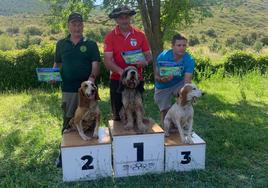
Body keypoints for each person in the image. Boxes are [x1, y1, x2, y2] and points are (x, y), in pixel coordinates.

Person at [53, 12, 101, 167]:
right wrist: (52, 76)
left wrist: (91, 82)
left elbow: (96, 65)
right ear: (68, 26)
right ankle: (63, 155)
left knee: (90, 119)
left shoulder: (91, 44)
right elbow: (57, 64)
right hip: (68, 89)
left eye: (79, 24)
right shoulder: (61, 44)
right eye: (73, 24)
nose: (77, 27)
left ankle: (94, 153)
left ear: (83, 25)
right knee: (68, 121)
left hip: (87, 91)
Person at [103, 6, 152, 121]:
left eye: (127, 17)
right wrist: (123, 73)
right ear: (116, 20)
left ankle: (137, 136)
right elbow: (107, 61)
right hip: (117, 80)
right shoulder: (110, 37)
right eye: (121, 18)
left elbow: (149, 55)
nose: (124, 20)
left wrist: (145, 62)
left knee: (137, 112)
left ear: (130, 18)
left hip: (136, 80)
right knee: (118, 116)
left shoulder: (140, 34)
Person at [154, 33, 195, 127]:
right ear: (172, 46)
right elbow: (156, 76)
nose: (182, 48)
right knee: (164, 109)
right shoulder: (163, 56)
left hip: (178, 83)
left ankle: (182, 125)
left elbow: (187, 82)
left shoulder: (189, 60)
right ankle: (166, 128)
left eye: (184, 45)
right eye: (179, 45)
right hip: (162, 85)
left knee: (185, 101)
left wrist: (185, 95)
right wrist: (162, 79)